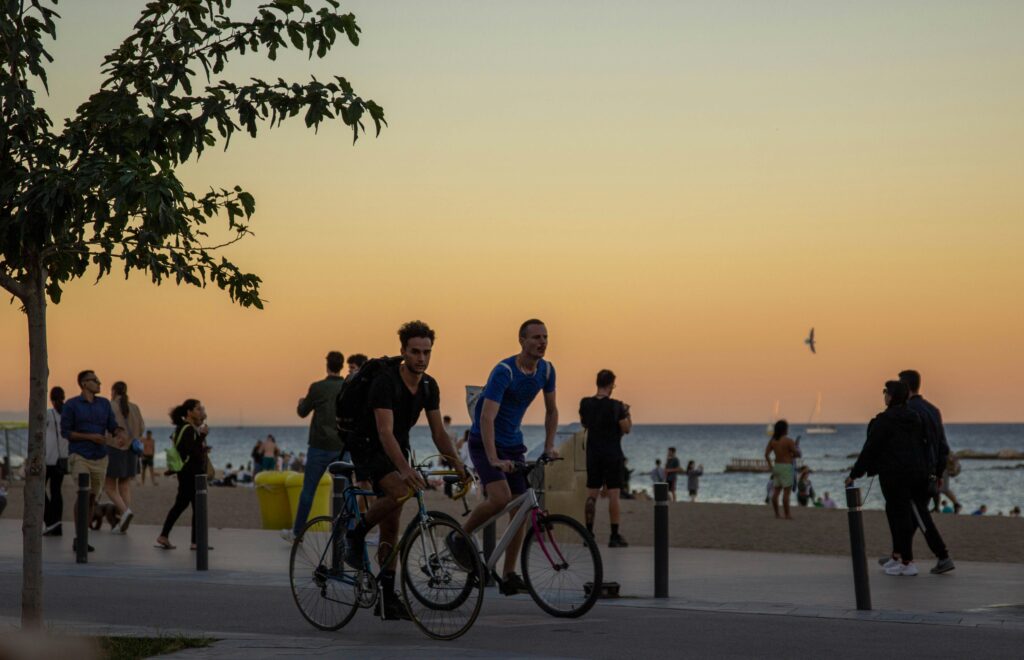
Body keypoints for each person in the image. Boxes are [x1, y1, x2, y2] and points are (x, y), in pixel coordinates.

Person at [343, 321, 468, 620]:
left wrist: (458, 464)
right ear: (403, 351)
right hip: (368, 445)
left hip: (398, 447)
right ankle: (355, 534)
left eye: (427, 352)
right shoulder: (385, 382)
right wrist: (405, 470)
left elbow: (439, 433)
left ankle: (386, 599)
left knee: (392, 522)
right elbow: (384, 432)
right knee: (401, 491)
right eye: (415, 352)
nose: (421, 358)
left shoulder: (428, 385)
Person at [447, 319, 559, 596]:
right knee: (499, 498)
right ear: (521, 340)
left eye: (545, 337)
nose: (541, 342)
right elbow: (486, 417)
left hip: (513, 443)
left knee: (520, 510)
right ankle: (458, 536)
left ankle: (509, 574)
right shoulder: (505, 371)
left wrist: (548, 446)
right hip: (484, 442)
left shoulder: (546, 371)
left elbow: (552, 411)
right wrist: (493, 458)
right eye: (535, 337)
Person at [846, 380, 932, 577]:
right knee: (899, 514)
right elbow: (925, 445)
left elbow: (870, 449)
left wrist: (854, 474)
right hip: (916, 473)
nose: (884, 395)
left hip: (894, 475)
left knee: (898, 516)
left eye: (886, 392)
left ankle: (907, 562)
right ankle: (898, 557)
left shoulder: (885, 421)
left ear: (892, 396)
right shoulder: (915, 418)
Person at [281, 351, 348, 543]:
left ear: (327, 365)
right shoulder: (346, 387)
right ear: (342, 365)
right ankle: (348, 532)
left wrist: (301, 403)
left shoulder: (317, 388)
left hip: (319, 446)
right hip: (342, 445)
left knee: (308, 490)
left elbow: (303, 412)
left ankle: (298, 532)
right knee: (346, 491)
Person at [61, 370, 128, 553]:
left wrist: (118, 433)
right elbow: (66, 432)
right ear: (84, 383)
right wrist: (90, 437)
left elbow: (111, 425)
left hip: (100, 457)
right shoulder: (72, 405)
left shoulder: (104, 404)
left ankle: (84, 535)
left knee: (91, 498)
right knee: (83, 493)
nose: (99, 383)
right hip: (80, 455)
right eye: (95, 380)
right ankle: (78, 537)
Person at [898, 369, 955, 574]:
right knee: (915, 515)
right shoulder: (933, 410)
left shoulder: (909, 411)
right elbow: (943, 446)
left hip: (916, 473)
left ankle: (943, 556)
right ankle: (898, 554)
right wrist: (939, 473)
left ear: (905, 387)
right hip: (931, 471)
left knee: (920, 515)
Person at [579, 369, 632, 547]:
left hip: (593, 453)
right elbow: (626, 429)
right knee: (614, 495)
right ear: (610, 385)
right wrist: (627, 413)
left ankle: (588, 533)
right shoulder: (616, 406)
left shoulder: (585, 403)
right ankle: (614, 535)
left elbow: (584, 423)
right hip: (612, 453)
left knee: (591, 495)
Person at [156, 399, 209, 550]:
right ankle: (193, 542)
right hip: (191, 474)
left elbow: (185, 449)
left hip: (186, 473)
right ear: (189, 412)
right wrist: (202, 436)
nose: (200, 411)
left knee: (183, 505)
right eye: (197, 409)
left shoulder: (183, 428)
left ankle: (166, 536)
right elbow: (189, 451)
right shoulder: (188, 429)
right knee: (195, 507)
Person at [106, 381, 144, 533]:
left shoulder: (110, 406)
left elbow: (105, 427)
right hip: (131, 451)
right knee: (124, 486)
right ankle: (123, 519)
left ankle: (125, 512)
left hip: (114, 448)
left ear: (114, 391)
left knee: (109, 487)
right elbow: (141, 428)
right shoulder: (134, 407)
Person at [43, 386, 68, 536]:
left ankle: (52, 521)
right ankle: (56, 523)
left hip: (48, 458)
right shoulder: (66, 415)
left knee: (40, 489)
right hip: (61, 460)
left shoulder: (49, 414)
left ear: (51, 400)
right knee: (56, 491)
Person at [765, 420, 800, 520]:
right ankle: (787, 514)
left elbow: (766, 454)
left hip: (777, 466)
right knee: (786, 493)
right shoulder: (788, 441)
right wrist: (795, 448)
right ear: (784, 429)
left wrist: (770, 466)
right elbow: (796, 454)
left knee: (776, 492)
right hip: (786, 467)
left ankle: (777, 514)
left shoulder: (773, 441)